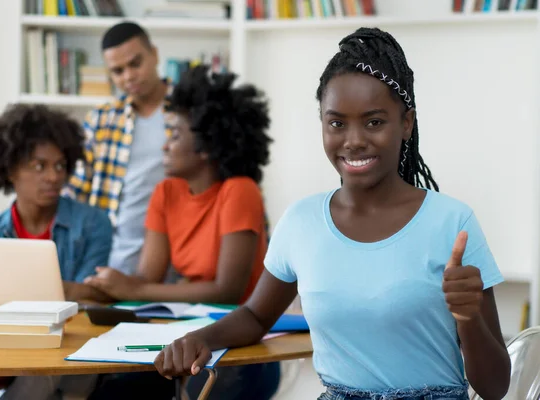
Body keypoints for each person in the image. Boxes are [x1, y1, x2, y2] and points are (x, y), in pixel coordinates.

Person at [153, 28, 511, 400]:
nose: (353, 140)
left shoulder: (453, 223)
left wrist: (468, 319)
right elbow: (257, 317)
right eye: (337, 123)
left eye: (374, 122)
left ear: (406, 123)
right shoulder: (301, 222)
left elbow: (495, 387)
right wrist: (199, 339)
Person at [83, 65, 280, 400]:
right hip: (184, 337)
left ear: (205, 146)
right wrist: (104, 287)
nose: (164, 146)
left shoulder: (239, 191)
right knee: (110, 390)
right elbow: (146, 278)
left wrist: (138, 287)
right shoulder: (166, 192)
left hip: (237, 344)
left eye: (174, 134)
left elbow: (227, 291)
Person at [0, 103, 113, 399]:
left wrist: (19, 295)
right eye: (39, 165)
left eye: (60, 165)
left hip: (73, 353)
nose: (54, 176)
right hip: (10, 354)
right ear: (8, 169)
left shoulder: (93, 224)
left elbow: (88, 300)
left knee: (44, 372)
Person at [63, 21, 171, 276]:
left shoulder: (189, 114)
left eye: (135, 64)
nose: (128, 76)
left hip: (175, 268)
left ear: (154, 54)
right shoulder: (101, 120)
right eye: (117, 71)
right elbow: (75, 191)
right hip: (110, 265)